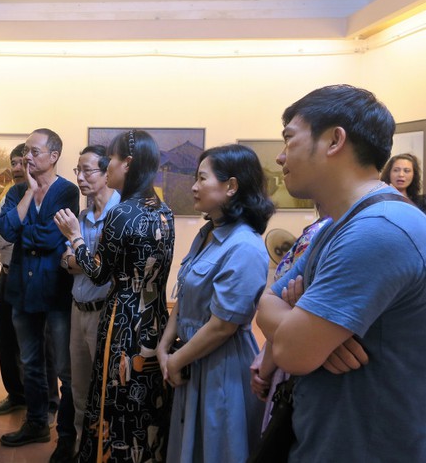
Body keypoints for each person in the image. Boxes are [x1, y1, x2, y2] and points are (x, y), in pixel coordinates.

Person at [257, 84, 426, 461]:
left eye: (289, 139)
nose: (281, 157)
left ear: (334, 140)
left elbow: (291, 352)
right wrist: (309, 332)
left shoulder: (379, 229)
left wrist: (304, 335)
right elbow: (265, 303)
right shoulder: (339, 226)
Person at [55, 130, 175, 463]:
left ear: (129, 163)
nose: (109, 166)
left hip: (123, 320)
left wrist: (76, 237)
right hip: (154, 315)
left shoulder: (121, 213)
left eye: (113, 159)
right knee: (144, 401)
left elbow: (98, 272)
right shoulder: (164, 210)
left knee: (115, 399)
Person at [157, 143, 273, 463]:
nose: (194, 187)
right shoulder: (207, 233)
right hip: (190, 358)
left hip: (221, 367)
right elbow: (185, 294)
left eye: (202, 178)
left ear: (231, 186)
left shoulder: (244, 246)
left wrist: (175, 361)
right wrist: (165, 348)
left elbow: (222, 326)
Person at [0, 128, 79, 452]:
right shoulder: (18, 191)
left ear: (54, 156)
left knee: (64, 367)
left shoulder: (67, 191)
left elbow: (51, 237)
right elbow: (6, 230)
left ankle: (68, 432)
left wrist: (24, 230)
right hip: (22, 289)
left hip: (56, 290)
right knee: (30, 361)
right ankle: (36, 423)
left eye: (34, 151)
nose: (27, 157)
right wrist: (30, 193)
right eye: (25, 151)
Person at [0, 143, 61, 419]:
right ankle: (16, 394)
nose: (19, 168)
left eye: (23, 162)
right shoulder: (12, 195)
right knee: (6, 339)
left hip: (37, 279)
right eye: (14, 163)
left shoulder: (53, 194)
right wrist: (19, 234)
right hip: (8, 274)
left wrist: (16, 233)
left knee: (42, 344)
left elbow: (46, 238)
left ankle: (49, 402)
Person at [58, 144, 120, 459]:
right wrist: (83, 258)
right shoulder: (82, 215)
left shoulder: (121, 215)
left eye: (87, 171)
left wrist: (79, 254)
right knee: (79, 389)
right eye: (77, 171)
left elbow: (103, 268)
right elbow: (68, 260)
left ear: (108, 173)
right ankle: (83, 449)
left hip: (104, 312)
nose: (80, 178)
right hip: (77, 309)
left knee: (107, 390)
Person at [248, 211, 331, 428]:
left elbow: (288, 306)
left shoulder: (319, 232)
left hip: (295, 355)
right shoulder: (324, 228)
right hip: (290, 343)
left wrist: (265, 369)